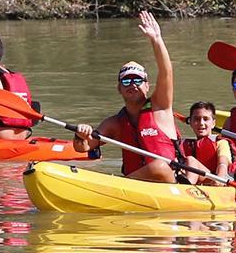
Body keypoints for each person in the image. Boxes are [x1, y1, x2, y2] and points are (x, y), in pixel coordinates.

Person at [71, 13, 205, 183]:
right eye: (126, 81)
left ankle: (117, 184)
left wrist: (156, 40)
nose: (132, 84)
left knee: (160, 166)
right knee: (158, 166)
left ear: (147, 86)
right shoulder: (114, 123)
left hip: (170, 182)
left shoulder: (160, 107)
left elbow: (166, 72)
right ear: (119, 88)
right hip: (137, 187)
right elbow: (82, 147)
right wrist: (80, 134)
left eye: (138, 80)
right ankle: (121, 185)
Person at [181, 101, 236, 178]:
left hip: (216, 179)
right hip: (198, 178)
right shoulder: (185, 144)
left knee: (191, 160)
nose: (201, 123)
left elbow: (223, 164)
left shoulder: (221, 142)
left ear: (213, 123)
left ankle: (187, 185)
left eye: (205, 119)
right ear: (190, 122)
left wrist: (220, 177)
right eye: (196, 119)